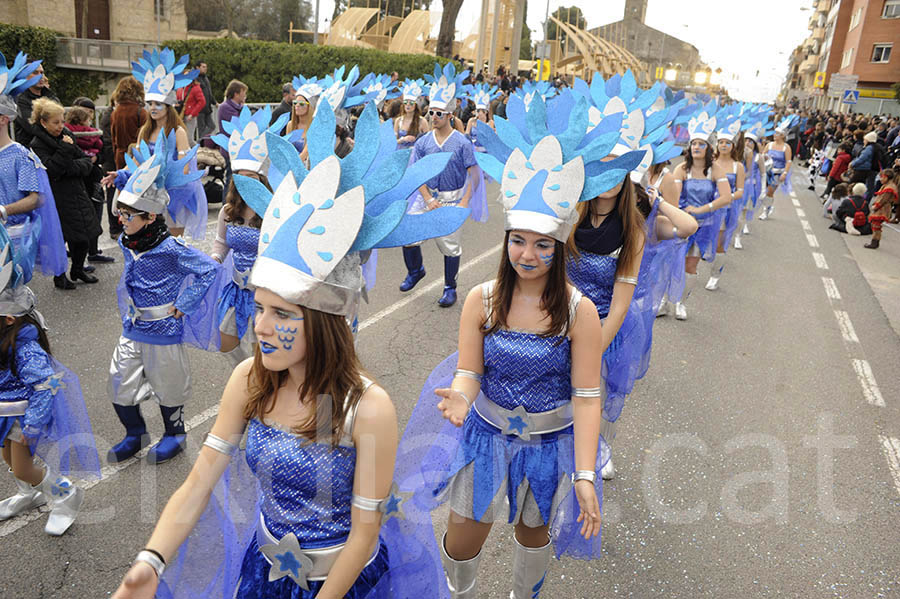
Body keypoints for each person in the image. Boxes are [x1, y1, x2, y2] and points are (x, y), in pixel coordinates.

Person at [110, 99, 458, 599]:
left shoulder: (367, 407)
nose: (262, 326)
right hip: (265, 574)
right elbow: (197, 483)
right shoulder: (250, 378)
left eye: (282, 314)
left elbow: (363, 537)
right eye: (259, 307)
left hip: (342, 585)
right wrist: (150, 560)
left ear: (322, 319)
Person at [396, 103, 619, 598]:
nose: (528, 254)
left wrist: (586, 474)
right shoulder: (483, 299)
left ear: (560, 248)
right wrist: (459, 392)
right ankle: (461, 592)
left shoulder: (580, 312)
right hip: (484, 437)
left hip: (547, 445)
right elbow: (470, 371)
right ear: (506, 242)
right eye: (518, 241)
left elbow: (586, 396)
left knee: (530, 537)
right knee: (460, 541)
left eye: (543, 244)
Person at [106, 131, 219, 466]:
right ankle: (135, 433)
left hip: (164, 328)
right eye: (121, 214)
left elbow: (208, 271)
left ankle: (175, 434)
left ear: (151, 217)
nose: (121, 220)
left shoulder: (171, 248)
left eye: (128, 215)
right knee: (118, 382)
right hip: (133, 326)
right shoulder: (129, 242)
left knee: (169, 388)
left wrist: (183, 305)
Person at [0, 225, 100, 535]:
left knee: (24, 466)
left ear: (8, 318)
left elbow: (45, 387)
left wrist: (32, 427)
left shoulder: (25, 349)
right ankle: (29, 493)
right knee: (10, 461)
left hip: (22, 418)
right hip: (4, 414)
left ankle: (66, 495)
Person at [398, 63, 486, 307]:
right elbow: (417, 173)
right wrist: (427, 198)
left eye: (439, 114)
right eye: (431, 113)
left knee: (450, 246)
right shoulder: (424, 142)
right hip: (426, 197)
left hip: (452, 198)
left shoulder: (461, 143)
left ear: (450, 115)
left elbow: (475, 174)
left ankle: (450, 288)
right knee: (409, 234)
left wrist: (465, 202)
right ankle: (416, 271)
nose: (433, 118)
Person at [209, 105, 291, 365]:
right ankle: (246, 381)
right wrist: (212, 260)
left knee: (263, 347)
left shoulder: (273, 212)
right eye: (240, 178)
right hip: (237, 288)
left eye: (251, 178)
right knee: (226, 342)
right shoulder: (228, 210)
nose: (245, 183)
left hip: (265, 292)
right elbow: (221, 243)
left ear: (262, 179)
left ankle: (263, 387)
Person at [103, 49, 207, 240]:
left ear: (168, 106)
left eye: (157, 103)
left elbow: (185, 166)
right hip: (149, 193)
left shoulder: (178, 132)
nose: (152, 108)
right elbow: (136, 160)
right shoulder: (145, 130)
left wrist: (167, 178)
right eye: (149, 103)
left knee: (173, 241)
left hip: (173, 194)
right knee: (151, 240)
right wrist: (120, 173)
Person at [0, 51, 68, 286]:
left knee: (11, 302)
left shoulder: (20, 155)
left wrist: (3, 210)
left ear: (3, 119)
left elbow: (37, 199)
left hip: (12, 239)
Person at [29, 98, 102, 287]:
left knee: (85, 235)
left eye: (62, 121)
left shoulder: (67, 135)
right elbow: (52, 170)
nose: (60, 126)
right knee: (59, 238)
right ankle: (59, 276)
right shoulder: (37, 143)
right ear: (43, 122)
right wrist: (66, 150)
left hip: (77, 191)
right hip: (56, 196)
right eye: (56, 122)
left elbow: (85, 162)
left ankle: (77, 270)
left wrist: (69, 165)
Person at [668, 110, 732, 320]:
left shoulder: (716, 170)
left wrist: (700, 210)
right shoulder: (681, 169)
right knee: (671, 262)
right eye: (694, 143)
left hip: (703, 226)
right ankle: (662, 301)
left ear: (708, 148)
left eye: (701, 144)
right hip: (679, 225)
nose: (696, 147)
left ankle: (681, 303)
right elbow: (674, 198)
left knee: (691, 265)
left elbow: (726, 198)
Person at [707, 116, 745, 291]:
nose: (723, 145)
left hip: (725, 209)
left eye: (727, 143)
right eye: (720, 142)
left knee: (719, 243)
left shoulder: (738, 166)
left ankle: (715, 275)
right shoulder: (709, 163)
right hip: (706, 208)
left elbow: (740, 191)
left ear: (733, 146)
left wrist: (725, 197)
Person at [13, 61, 58, 148]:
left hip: (53, 145)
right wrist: (58, 145)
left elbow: (61, 119)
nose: (40, 76)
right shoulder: (20, 99)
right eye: (35, 73)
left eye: (41, 72)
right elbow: (32, 127)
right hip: (31, 149)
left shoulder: (50, 95)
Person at [759, 116, 794, 220]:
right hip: (766, 172)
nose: (774, 135)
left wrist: (785, 173)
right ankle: (768, 206)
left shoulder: (786, 147)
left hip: (777, 173)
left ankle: (765, 211)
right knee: (762, 192)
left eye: (777, 133)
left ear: (782, 135)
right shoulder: (769, 145)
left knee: (769, 192)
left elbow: (788, 161)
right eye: (774, 133)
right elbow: (762, 156)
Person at [865, 168, 899, 249]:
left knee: (876, 226)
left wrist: (876, 206)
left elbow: (883, 199)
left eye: (882, 177)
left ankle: (875, 242)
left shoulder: (889, 188)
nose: (881, 179)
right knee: (875, 225)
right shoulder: (887, 185)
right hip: (882, 208)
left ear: (887, 177)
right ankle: (874, 241)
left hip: (882, 209)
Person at [464, 84, 499, 153]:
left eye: (479, 111)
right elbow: (466, 135)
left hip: (486, 151)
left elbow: (491, 138)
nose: (478, 113)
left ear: (485, 112)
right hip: (473, 150)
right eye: (477, 111)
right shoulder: (471, 121)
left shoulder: (490, 122)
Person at [394, 79, 428, 149]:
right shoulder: (398, 121)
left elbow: (428, 142)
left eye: (411, 103)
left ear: (416, 105)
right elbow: (393, 141)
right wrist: (403, 139)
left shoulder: (422, 121)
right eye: (406, 102)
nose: (408, 105)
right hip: (400, 153)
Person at [176, 74, 206, 145]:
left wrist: (192, 114)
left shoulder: (195, 88)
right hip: (181, 115)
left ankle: (197, 151)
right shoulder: (181, 88)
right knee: (181, 137)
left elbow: (202, 102)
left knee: (189, 139)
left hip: (189, 116)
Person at [194, 61, 217, 139]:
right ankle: (201, 142)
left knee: (212, 126)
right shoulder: (195, 78)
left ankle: (201, 139)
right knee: (201, 127)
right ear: (197, 67)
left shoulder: (205, 78)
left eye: (206, 67)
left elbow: (209, 93)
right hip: (199, 108)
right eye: (203, 67)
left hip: (207, 108)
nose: (205, 69)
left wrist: (215, 102)